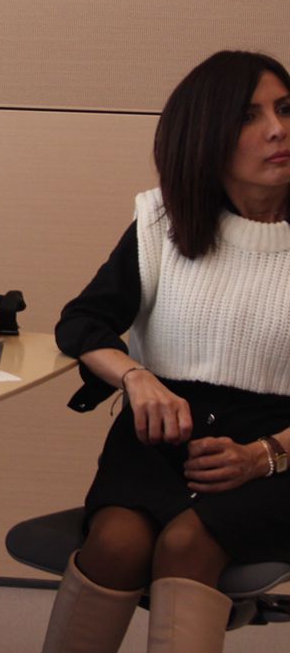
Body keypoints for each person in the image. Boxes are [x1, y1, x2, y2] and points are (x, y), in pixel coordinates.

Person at [46, 50, 290, 653]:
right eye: (250, 116)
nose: (277, 129)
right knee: (116, 544)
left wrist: (264, 455)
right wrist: (135, 378)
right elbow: (83, 322)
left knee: (187, 543)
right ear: (206, 135)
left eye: (285, 109)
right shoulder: (162, 220)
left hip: (278, 447)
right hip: (161, 434)